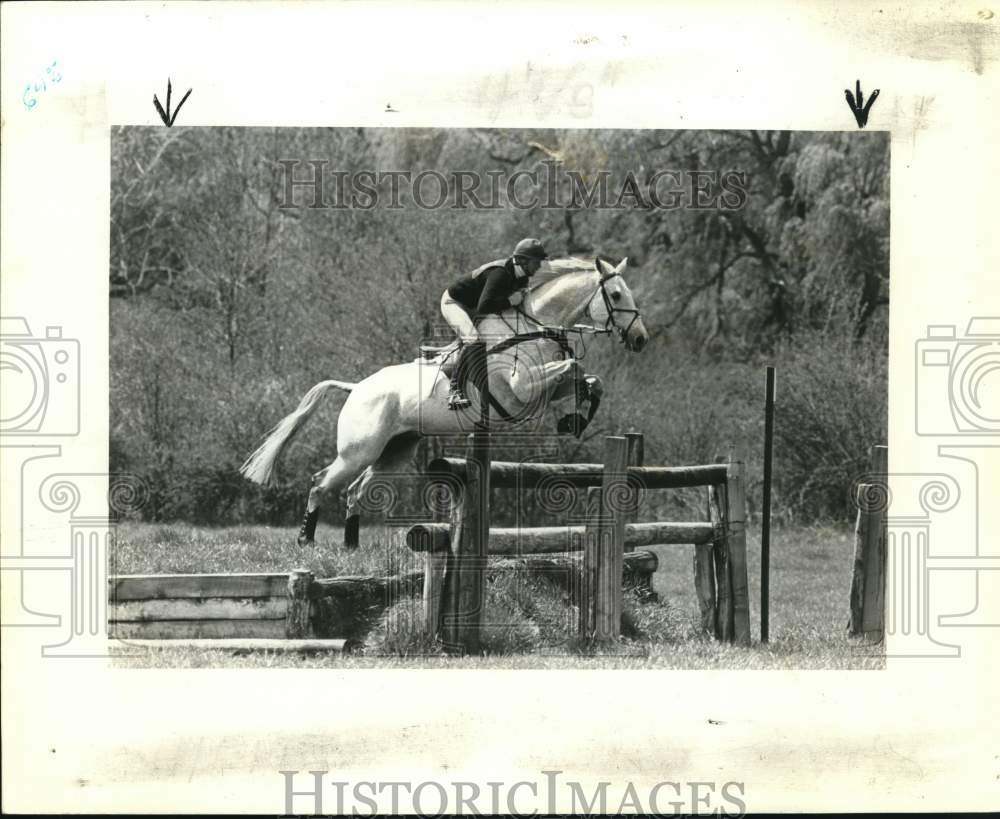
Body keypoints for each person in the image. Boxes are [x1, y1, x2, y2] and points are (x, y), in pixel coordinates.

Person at [440, 237, 549, 409]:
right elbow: (485, 306)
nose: (539, 266)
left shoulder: (522, 277)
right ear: (522, 260)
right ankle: (455, 391)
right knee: (473, 339)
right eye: (536, 262)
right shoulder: (500, 274)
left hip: (475, 305)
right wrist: (510, 302)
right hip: (455, 303)